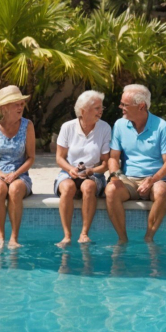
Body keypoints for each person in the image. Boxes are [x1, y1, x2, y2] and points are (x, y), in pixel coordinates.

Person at [105, 84, 166, 243]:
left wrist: (152, 179)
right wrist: (115, 176)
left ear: (141, 106)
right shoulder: (119, 125)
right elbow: (113, 157)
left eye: (124, 104)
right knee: (110, 191)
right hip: (127, 179)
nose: (120, 107)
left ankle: (149, 238)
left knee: (161, 192)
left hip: (155, 178)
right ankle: (122, 239)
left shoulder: (162, 127)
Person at [54, 90, 111, 246]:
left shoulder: (105, 128)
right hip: (68, 171)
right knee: (67, 187)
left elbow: (105, 163)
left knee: (89, 186)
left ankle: (84, 233)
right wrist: (70, 169)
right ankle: (66, 235)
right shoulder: (68, 127)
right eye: (97, 108)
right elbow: (59, 158)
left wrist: (90, 171)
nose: (100, 112)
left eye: (101, 108)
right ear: (83, 110)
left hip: (93, 173)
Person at [0, 85, 36, 249]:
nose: (21, 107)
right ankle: (0, 236)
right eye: (16, 104)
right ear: (4, 108)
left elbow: (31, 158)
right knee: (0, 188)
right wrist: (0, 174)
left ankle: (14, 237)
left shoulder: (28, 125)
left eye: (22, 104)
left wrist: (15, 174)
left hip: (20, 173)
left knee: (15, 189)